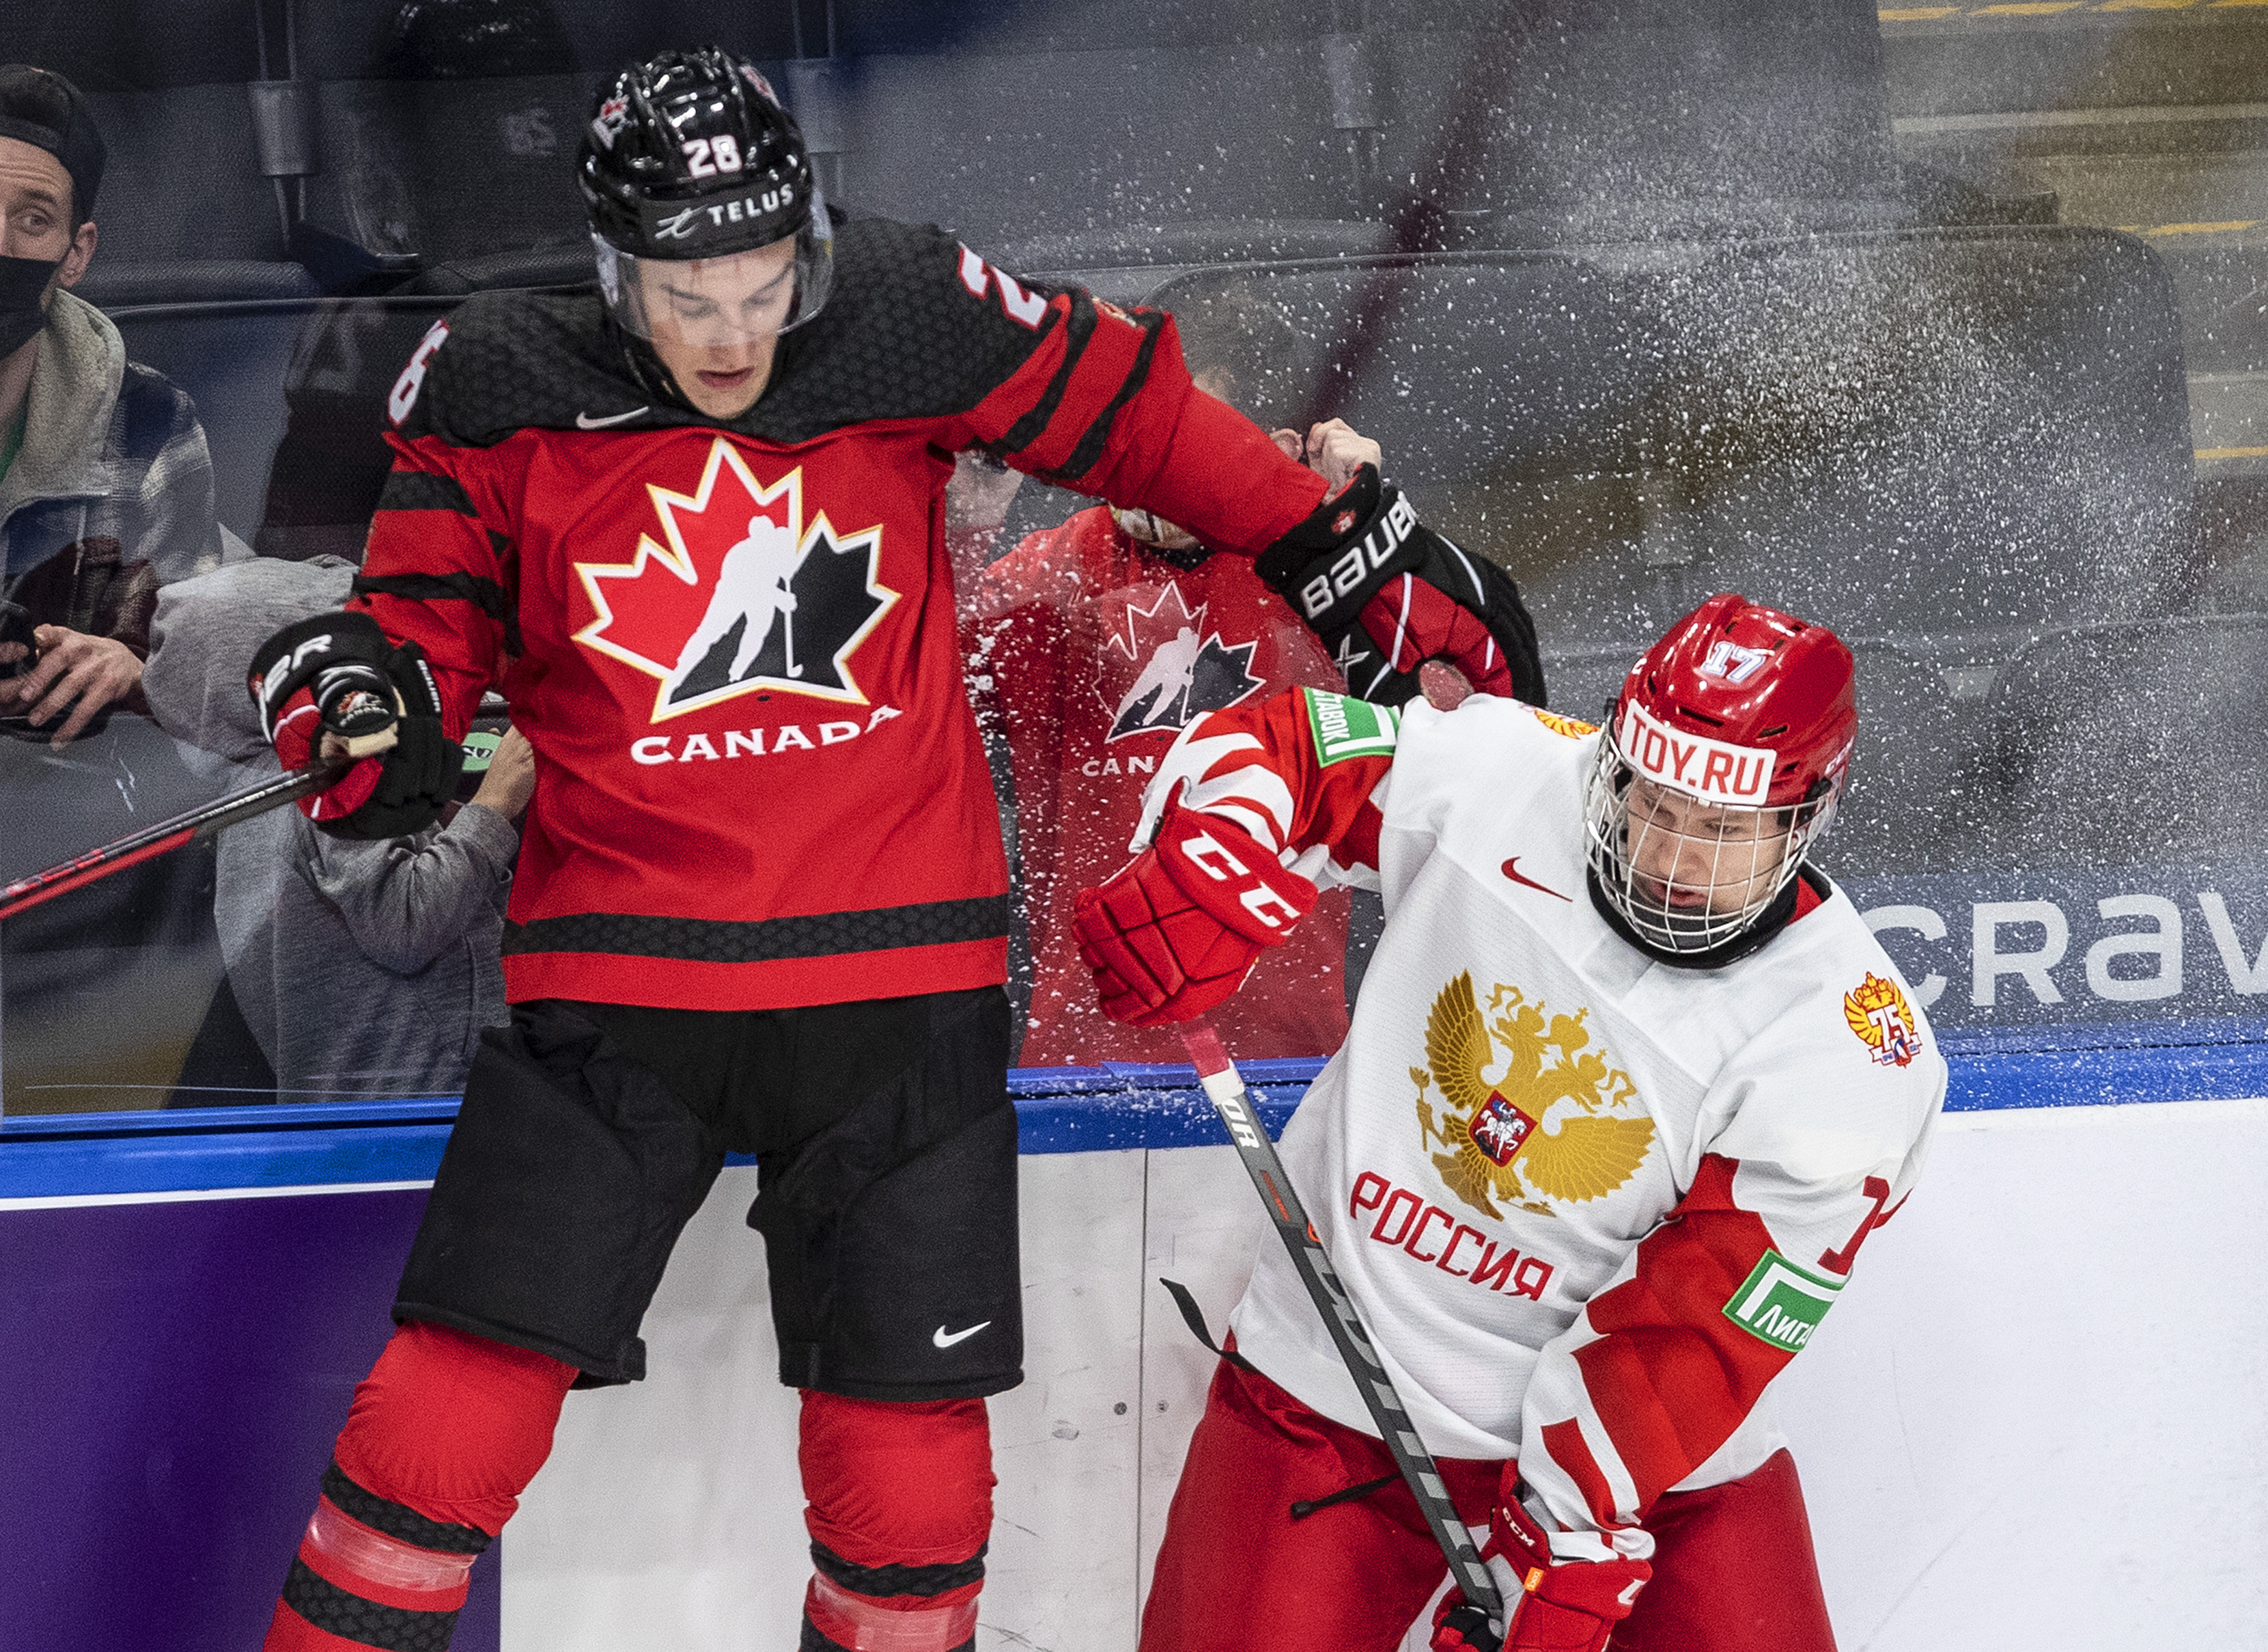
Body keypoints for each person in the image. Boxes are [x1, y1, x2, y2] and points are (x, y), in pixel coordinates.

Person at [243, 46, 1532, 1652]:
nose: (728, 334)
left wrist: (1329, 539)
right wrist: (363, 713)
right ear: (609, 268)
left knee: (911, 1482)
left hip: (898, 994)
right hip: (618, 985)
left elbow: (1139, 423)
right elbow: (415, 642)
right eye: (684, 296)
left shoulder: (918, 312)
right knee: (448, 1402)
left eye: (760, 285)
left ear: (811, 244)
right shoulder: (499, 379)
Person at [1075, 593, 1948, 1651]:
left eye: (1721, 828)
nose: (1669, 857)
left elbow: (1694, 1332)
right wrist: (1206, 858)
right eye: (1651, 803)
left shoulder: (1847, 1049)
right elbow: (1289, 747)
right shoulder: (1505, 769)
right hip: (1331, 1392)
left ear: (1804, 815)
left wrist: (1563, 1526)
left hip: (1646, 1469)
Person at [960, 285, 1543, 1066]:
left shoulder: (1327, 579)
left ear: (1267, 445)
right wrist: (965, 519)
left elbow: (1474, 747)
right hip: (1086, 1066)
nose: (1152, 468)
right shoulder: (1049, 576)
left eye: (1187, 441)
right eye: (1144, 434)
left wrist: (1375, 537)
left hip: (1291, 1058)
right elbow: (912, 703)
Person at [144, 555, 531, 1102]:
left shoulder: (255, 786)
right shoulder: (327, 784)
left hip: (348, 1110)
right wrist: (496, 802)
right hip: (420, 1106)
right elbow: (406, 921)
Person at [0, 64, 236, 746]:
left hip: (80, 818)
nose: (2, 245)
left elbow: (202, 655)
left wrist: (135, 668)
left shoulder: (151, 423)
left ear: (76, 254)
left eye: (33, 219)